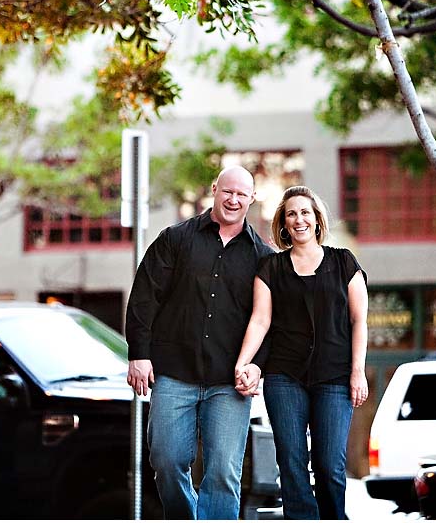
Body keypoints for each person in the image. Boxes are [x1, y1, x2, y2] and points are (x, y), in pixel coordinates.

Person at [125, 165, 274, 520]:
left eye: (242, 194)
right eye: (228, 191)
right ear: (214, 189)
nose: (233, 199)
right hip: (174, 373)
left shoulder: (263, 258)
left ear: (251, 199)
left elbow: (269, 321)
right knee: (166, 460)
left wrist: (257, 366)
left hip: (228, 383)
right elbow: (145, 296)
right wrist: (139, 354)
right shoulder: (176, 239)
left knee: (223, 473)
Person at [234, 185, 368, 520]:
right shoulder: (271, 268)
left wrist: (357, 370)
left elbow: (359, 319)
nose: (299, 219)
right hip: (284, 377)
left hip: (334, 377)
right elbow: (260, 320)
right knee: (291, 465)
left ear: (317, 219)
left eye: (305, 212)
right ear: (283, 222)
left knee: (329, 467)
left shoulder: (343, 262)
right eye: (292, 213)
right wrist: (243, 362)